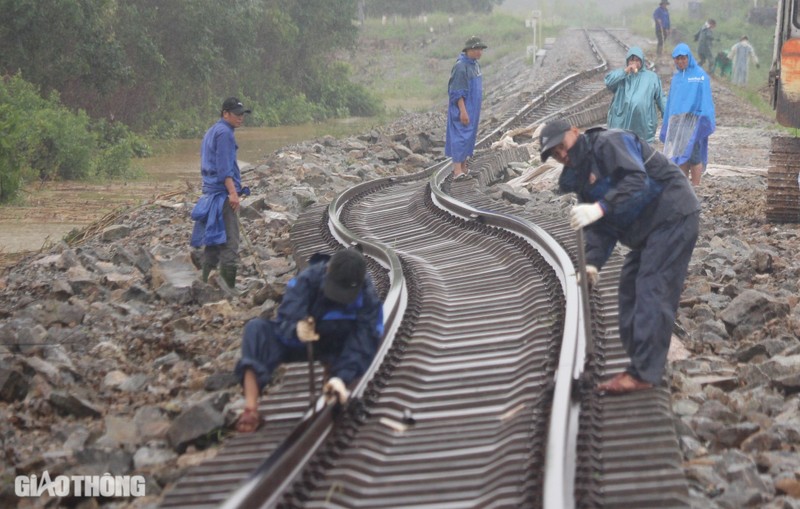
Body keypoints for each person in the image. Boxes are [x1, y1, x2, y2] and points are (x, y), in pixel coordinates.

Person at [538, 119, 700, 395]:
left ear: (575, 132)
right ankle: (640, 362)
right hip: (650, 229)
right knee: (628, 290)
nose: (562, 155)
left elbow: (636, 180)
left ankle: (644, 373)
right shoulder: (580, 174)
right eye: (555, 155)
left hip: (673, 215)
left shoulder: (611, 142)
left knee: (652, 286)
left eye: (562, 147)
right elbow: (602, 228)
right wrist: (591, 263)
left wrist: (600, 207)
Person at [233, 249, 384, 432]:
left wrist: (342, 378)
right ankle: (250, 409)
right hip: (301, 342)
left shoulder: (367, 295)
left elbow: (364, 341)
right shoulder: (308, 279)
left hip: (337, 346)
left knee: (360, 345)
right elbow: (286, 316)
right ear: (328, 272)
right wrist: (297, 329)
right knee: (256, 329)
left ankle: (335, 383)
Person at [190, 97, 251, 289]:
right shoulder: (225, 133)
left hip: (210, 193)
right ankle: (227, 289)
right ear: (225, 114)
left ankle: (205, 283)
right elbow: (224, 168)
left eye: (242, 114)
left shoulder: (212, 131)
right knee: (230, 243)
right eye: (236, 114)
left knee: (214, 241)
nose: (240, 118)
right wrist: (233, 193)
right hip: (223, 194)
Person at [660, 43, 716, 186]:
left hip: (693, 122)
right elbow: (672, 101)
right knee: (680, 155)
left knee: (694, 156)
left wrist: (702, 119)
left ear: (688, 57)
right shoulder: (677, 77)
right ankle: (684, 186)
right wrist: (668, 121)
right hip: (677, 122)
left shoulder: (700, 76)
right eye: (677, 59)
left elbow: (705, 99)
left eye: (683, 58)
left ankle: (696, 186)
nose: (680, 62)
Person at [604, 46, 666, 144]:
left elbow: (661, 98)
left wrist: (667, 116)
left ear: (642, 61)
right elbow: (608, 82)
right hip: (621, 123)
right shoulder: (622, 75)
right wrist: (625, 71)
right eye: (631, 60)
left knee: (642, 154)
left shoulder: (651, 77)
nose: (634, 63)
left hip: (643, 126)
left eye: (637, 60)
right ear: (627, 61)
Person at [446, 36, 487, 180]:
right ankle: (457, 170)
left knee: (468, 137)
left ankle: (464, 167)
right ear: (468, 49)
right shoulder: (460, 66)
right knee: (460, 137)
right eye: (476, 49)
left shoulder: (475, 65)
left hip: (473, 108)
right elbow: (457, 92)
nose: (479, 52)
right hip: (463, 108)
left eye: (481, 49)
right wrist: (463, 111)